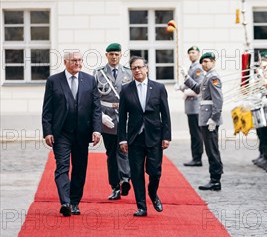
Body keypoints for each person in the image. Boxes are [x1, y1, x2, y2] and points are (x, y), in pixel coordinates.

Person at [42, 51, 102, 216]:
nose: (77, 63)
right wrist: (47, 131)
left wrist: (97, 129)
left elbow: (96, 108)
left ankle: (75, 202)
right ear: (65, 62)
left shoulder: (90, 80)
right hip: (61, 132)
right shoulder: (53, 81)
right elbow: (47, 109)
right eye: (74, 60)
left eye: (80, 60)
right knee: (62, 166)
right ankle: (65, 202)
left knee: (80, 168)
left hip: (83, 133)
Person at [118, 56, 171, 217]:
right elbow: (122, 117)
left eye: (140, 67)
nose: (138, 70)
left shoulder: (158, 88)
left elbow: (165, 114)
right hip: (135, 138)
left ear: (146, 68)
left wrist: (166, 136)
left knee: (155, 172)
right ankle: (141, 206)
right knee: (136, 172)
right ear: (131, 71)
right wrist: (122, 138)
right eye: (134, 68)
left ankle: (152, 193)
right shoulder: (126, 89)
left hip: (154, 136)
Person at [95, 42, 132, 200]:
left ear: (120, 55)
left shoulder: (128, 73)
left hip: (125, 117)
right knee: (111, 153)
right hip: (107, 117)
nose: (114, 57)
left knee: (124, 149)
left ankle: (125, 178)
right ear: (107, 55)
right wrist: (100, 116)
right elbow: (94, 97)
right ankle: (115, 186)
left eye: (117, 54)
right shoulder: (98, 73)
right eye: (111, 54)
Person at [182, 52, 224, 191]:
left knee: (212, 150)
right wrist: (187, 78)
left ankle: (215, 180)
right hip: (205, 118)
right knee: (210, 149)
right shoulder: (207, 76)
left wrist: (214, 118)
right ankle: (214, 178)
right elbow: (198, 89)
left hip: (210, 119)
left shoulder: (213, 77)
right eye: (203, 62)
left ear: (213, 62)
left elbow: (218, 100)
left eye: (207, 61)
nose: (205, 64)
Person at [178, 46, 205, 167]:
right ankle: (195, 156)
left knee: (196, 133)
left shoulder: (198, 68)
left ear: (198, 54)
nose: (191, 54)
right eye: (189, 53)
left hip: (195, 105)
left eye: (193, 52)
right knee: (193, 133)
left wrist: (187, 92)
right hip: (190, 106)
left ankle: (197, 158)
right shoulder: (192, 67)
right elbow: (189, 82)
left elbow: (198, 86)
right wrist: (181, 86)